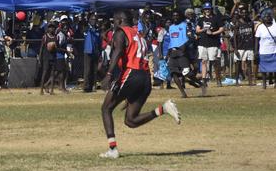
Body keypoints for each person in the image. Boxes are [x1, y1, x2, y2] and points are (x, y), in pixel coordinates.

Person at [100, 10, 181, 159]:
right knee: (130, 120)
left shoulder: (120, 31)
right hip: (145, 77)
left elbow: (118, 51)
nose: (113, 24)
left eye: (114, 21)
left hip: (131, 73)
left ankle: (112, 150)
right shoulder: (139, 34)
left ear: (119, 20)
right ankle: (163, 109)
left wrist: (109, 74)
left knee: (106, 108)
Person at [167, 11, 205, 98]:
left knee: (186, 73)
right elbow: (171, 40)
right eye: (174, 15)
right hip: (173, 53)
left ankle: (201, 84)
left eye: (177, 15)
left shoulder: (185, 25)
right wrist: (168, 53)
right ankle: (183, 94)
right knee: (173, 73)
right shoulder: (171, 27)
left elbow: (191, 38)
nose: (175, 17)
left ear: (180, 17)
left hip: (182, 52)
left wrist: (184, 47)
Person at [196, 2, 224, 87]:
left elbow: (222, 29)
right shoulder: (201, 19)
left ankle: (218, 79)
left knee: (214, 62)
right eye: (205, 9)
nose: (207, 11)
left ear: (211, 9)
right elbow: (197, 30)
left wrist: (213, 33)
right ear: (203, 10)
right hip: (203, 43)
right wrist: (203, 29)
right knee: (204, 61)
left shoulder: (216, 18)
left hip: (213, 43)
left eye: (208, 9)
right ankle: (204, 80)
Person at [232, 4, 255, 86]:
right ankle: (237, 81)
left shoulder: (251, 23)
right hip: (240, 46)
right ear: (240, 14)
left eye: (246, 13)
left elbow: (253, 34)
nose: (244, 14)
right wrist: (235, 48)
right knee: (237, 63)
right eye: (243, 13)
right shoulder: (237, 23)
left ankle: (250, 81)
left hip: (249, 46)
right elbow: (234, 36)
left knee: (249, 63)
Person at [254, 8, 276, 89]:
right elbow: (257, 40)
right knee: (263, 69)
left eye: (269, 16)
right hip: (263, 52)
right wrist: (256, 51)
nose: (268, 18)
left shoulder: (275, 26)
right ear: (263, 18)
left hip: (274, 51)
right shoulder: (260, 27)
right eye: (266, 17)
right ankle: (264, 84)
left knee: (275, 68)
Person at [83, 13, 101, 92]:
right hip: (88, 51)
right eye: (92, 19)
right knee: (87, 70)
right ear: (89, 20)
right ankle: (87, 87)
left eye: (95, 19)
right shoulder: (86, 28)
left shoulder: (97, 29)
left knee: (94, 70)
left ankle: (93, 85)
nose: (94, 21)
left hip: (95, 51)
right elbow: (85, 31)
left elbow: (99, 41)